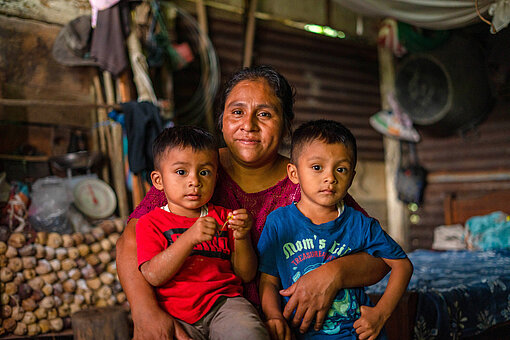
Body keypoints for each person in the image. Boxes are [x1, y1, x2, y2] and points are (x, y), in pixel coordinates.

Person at [116, 65, 391, 340]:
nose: (248, 125)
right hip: (187, 321)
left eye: (264, 114)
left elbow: (381, 258)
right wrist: (146, 312)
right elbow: (131, 241)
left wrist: (335, 273)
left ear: (285, 126)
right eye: (237, 112)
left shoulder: (308, 180)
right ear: (222, 121)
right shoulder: (191, 171)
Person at [258, 120, 413, 340]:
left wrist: (380, 313)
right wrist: (273, 316)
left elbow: (402, 265)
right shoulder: (279, 223)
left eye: (341, 169)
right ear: (294, 173)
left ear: (351, 177)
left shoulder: (360, 223)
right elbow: (268, 280)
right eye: (317, 167)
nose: (330, 177)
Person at [136, 125, 269, 340]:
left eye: (204, 172)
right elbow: (153, 276)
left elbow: (245, 275)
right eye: (181, 172)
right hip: (175, 314)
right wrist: (189, 238)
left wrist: (242, 237)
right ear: (158, 181)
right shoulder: (149, 223)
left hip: (225, 305)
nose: (195, 181)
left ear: (216, 177)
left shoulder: (225, 217)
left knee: (250, 333)